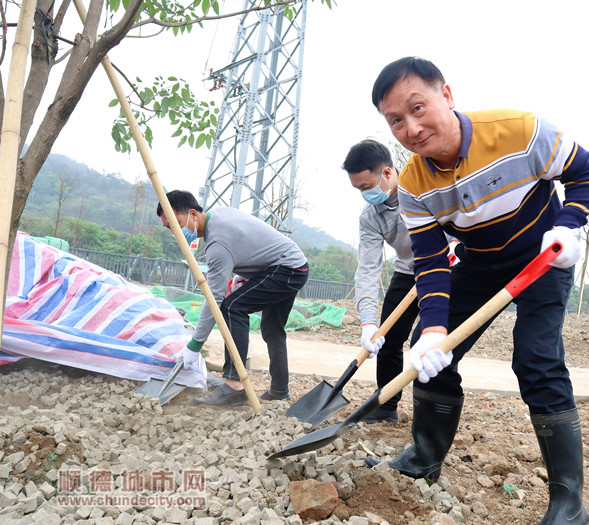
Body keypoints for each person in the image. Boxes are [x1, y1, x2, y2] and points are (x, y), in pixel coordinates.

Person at [366, 57, 589, 525]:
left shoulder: (520, 131)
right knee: (428, 354)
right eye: (396, 120)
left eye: (418, 108)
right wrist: (433, 330)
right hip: (479, 263)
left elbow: (585, 172)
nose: (411, 128)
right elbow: (431, 261)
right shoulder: (413, 185)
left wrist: (570, 225)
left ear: (447, 96)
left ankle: (569, 505)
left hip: (542, 257)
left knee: (536, 359)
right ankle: (423, 459)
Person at [156, 190, 309, 406]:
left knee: (231, 307)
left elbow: (214, 301)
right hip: (294, 265)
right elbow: (250, 241)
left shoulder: (217, 245)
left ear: (192, 214)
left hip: (286, 269)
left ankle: (233, 386)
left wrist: (195, 344)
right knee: (272, 329)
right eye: (168, 227)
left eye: (175, 223)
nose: (174, 231)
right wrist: (243, 274)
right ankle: (279, 390)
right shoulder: (219, 214)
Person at [341, 139, 421, 423]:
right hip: (407, 271)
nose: (364, 194)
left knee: (430, 342)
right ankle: (386, 405)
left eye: (365, 187)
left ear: (387, 173)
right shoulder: (371, 217)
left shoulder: (423, 184)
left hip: (447, 269)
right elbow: (368, 269)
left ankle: (430, 412)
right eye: (358, 189)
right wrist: (367, 322)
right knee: (388, 338)